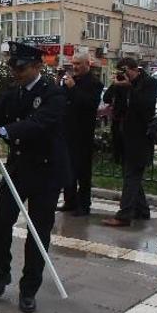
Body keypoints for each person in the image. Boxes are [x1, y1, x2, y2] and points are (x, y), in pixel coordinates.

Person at [0, 42, 68, 313]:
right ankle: (2, 271)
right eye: (12, 67)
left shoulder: (53, 93)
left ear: (37, 66)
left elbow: (38, 125)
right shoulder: (12, 93)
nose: (16, 72)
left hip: (46, 172)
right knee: (0, 223)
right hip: (18, 169)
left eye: (21, 67)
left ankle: (29, 288)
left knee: (38, 231)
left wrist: (4, 132)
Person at [101, 58, 157, 227]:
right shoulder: (121, 84)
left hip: (140, 137)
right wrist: (116, 85)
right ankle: (142, 210)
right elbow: (106, 97)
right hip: (123, 137)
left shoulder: (150, 82)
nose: (124, 75)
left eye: (126, 71)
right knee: (132, 174)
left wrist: (130, 88)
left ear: (135, 69)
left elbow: (145, 105)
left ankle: (124, 215)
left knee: (131, 175)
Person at [57, 53, 104, 217]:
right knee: (68, 168)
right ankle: (69, 201)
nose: (75, 67)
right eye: (73, 64)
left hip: (83, 133)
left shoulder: (94, 83)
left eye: (78, 64)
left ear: (87, 64)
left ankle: (84, 205)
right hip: (67, 131)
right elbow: (62, 100)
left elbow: (89, 104)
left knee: (83, 172)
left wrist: (73, 88)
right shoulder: (71, 81)